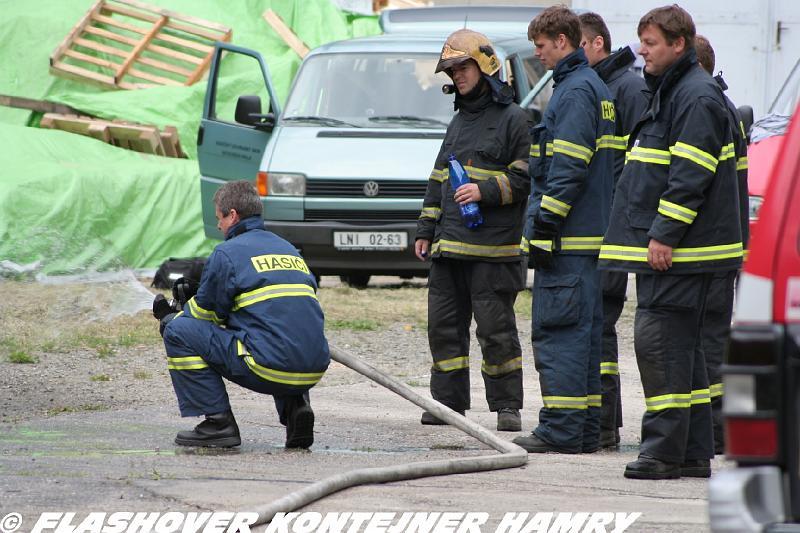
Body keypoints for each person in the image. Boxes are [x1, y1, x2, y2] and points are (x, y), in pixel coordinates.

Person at [598, 6, 744, 479]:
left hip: (682, 254)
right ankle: (693, 451)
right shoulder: (678, 91)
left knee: (659, 346)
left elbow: (690, 176)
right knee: (685, 353)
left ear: (678, 44)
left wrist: (663, 235)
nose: (641, 51)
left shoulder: (694, 97)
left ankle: (662, 452)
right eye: (641, 41)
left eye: (651, 42)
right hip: (689, 253)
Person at [152, 180, 330, 448]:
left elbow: (203, 318)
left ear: (232, 215)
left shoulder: (227, 253)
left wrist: (170, 317)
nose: (219, 226)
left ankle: (218, 424)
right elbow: (276, 309)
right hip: (313, 368)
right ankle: (296, 408)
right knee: (278, 330)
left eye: (219, 219)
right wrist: (201, 292)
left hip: (270, 367)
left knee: (178, 331)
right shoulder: (288, 249)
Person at [415, 29, 531, 432]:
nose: (456, 76)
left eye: (462, 67)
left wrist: (483, 191)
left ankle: (507, 407)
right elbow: (437, 179)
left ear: (484, 66)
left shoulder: (515, 119)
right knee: (443, 328)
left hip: (492, 253)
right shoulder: (459, 120)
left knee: (496, 333)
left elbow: (524, 181)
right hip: (449, 249)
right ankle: (447, 405)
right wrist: (425, 229)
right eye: (451, 69)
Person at [512, 6, 615, 454]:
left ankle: (561, 429)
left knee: (560, 334)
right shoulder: (596, 88)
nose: (539, 55)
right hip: (588, 239)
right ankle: (585, 427)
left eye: (541, 46)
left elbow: (568, 168)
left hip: (566, 240)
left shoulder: (574, 92)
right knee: (584, 335)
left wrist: (544, 227)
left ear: (562, 41)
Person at [578, 11, 650, 449]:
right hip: (603, 223)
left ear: (597, 44)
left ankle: (605, 423)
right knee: (594, 323)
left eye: (578, 45)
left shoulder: (626, 88)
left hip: (612, 225)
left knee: (600, 322)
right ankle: (602, 422)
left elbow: (631, 164)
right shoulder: (608, 84)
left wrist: (614, 215)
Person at [695, 34, 750, 455]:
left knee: (709, 344)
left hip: (712, 251)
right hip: (726, 248)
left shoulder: (708, 110)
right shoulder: (725, 110)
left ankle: (715, 432)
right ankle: (714, 431)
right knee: (710, 342)